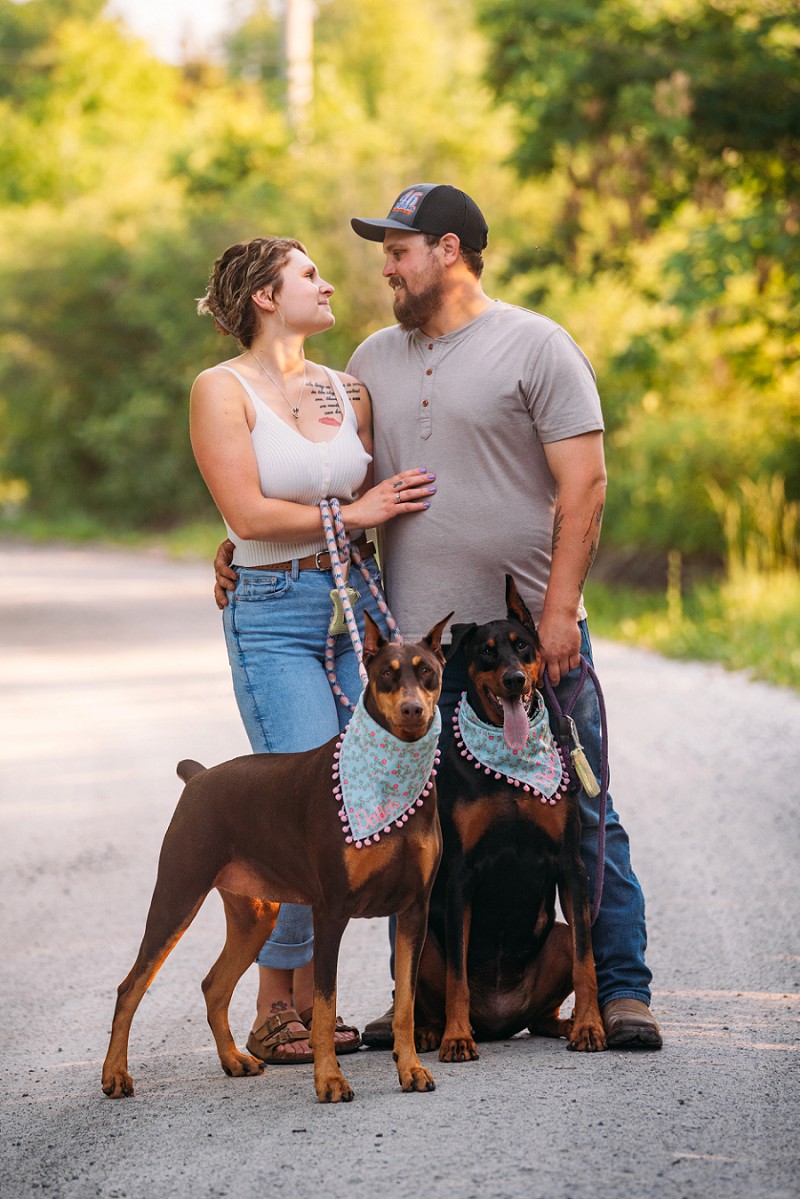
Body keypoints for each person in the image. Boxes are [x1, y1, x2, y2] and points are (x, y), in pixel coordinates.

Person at [215, 187, 662, 1050]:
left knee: (583, 808)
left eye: (398, 249)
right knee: (407, 819)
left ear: (448, 248)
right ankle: (415, 994)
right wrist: (241, 539)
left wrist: (559, 612)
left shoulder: (538, 345)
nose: (383, 266)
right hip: (419, 657)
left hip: (525, 642)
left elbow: (587, 484)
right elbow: (327, 475)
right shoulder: (372, 359)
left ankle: (624, 987)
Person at [192, 235, 436, 1063]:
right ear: (266, 295)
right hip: (272, 611)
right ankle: (275, 1007)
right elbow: (253, 514)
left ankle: (338, 998)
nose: (329, 282)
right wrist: (347, 518)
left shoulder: (347, 388)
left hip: (354, 617)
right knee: (303, 801)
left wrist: (358, 522)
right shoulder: (220, 390)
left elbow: (365, 488)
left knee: (362, 801)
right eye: (308, 275)